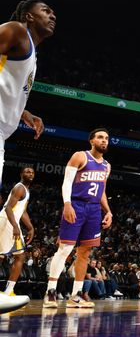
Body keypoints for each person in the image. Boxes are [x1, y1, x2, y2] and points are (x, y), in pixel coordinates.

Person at [0, 0, 55, 313]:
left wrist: (25, 113)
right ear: (28, 15)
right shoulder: (16, 30)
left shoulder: (30, 51)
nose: (52, 15)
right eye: (46, 10)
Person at [43, 128, 113, 309]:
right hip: (76, 205)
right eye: (100, 137)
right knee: (65, 249)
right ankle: (50, 292)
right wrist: (67, 203)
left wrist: (108, 211)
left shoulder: (106, 165)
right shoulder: (80, 156)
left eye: (106, 138)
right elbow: (67, 182)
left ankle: (75, 295)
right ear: (92, 140)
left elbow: (102, 190)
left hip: (94, 209)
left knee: (85, 254)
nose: (104, 141)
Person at [0, 167, 35, 299]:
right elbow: (8, 207)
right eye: (27, 172)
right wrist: (15, 226)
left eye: (32, 172)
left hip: (7, 220)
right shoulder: (20, 187)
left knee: (2, 256)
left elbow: (22, 211)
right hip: (8, 221)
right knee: (20, 256)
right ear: (21, 174)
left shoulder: (26, 190)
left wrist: (30, 227)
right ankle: (9, 291)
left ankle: (8, 291)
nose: (30, 174)